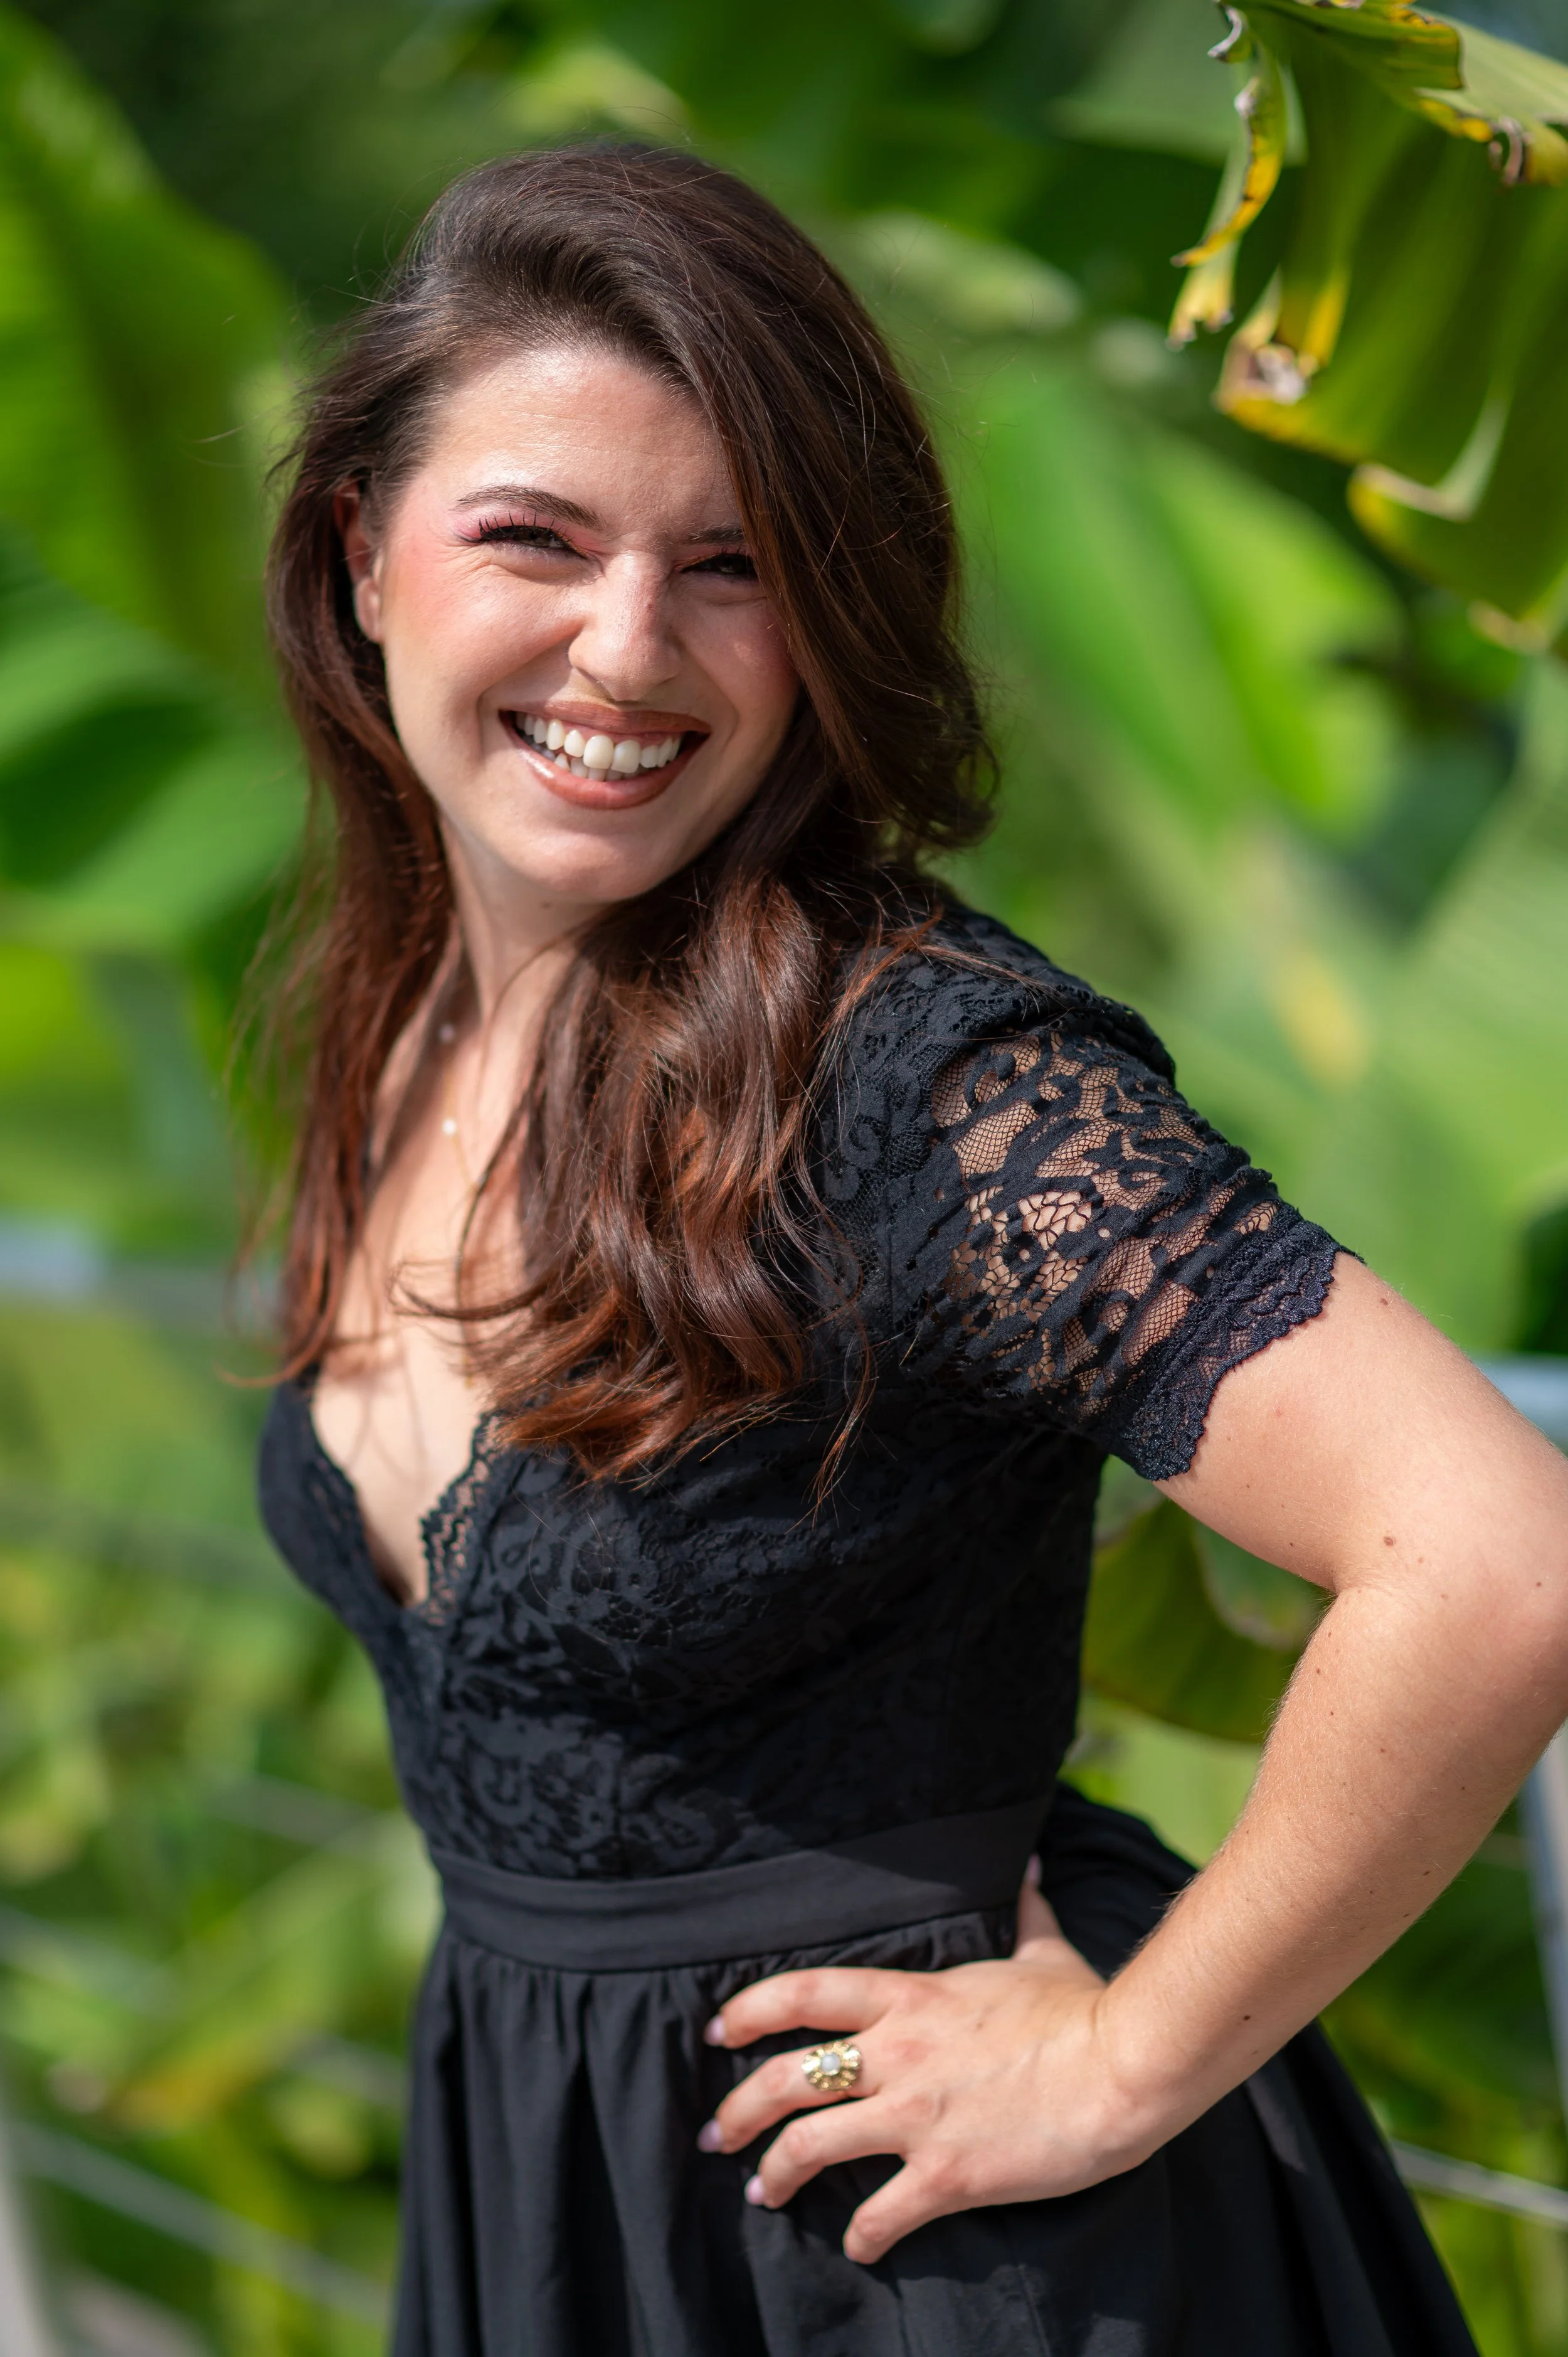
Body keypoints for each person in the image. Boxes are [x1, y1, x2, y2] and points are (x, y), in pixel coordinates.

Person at [255, 142, 1568, 2356]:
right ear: (367, 554)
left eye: (732, 565)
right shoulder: (415, 1004)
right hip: (558, 2203)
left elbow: (1494, 1550)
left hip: (923, 2257)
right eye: (534, 540)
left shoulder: (922, 1086)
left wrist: (1127, 2055)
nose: (625, 646)